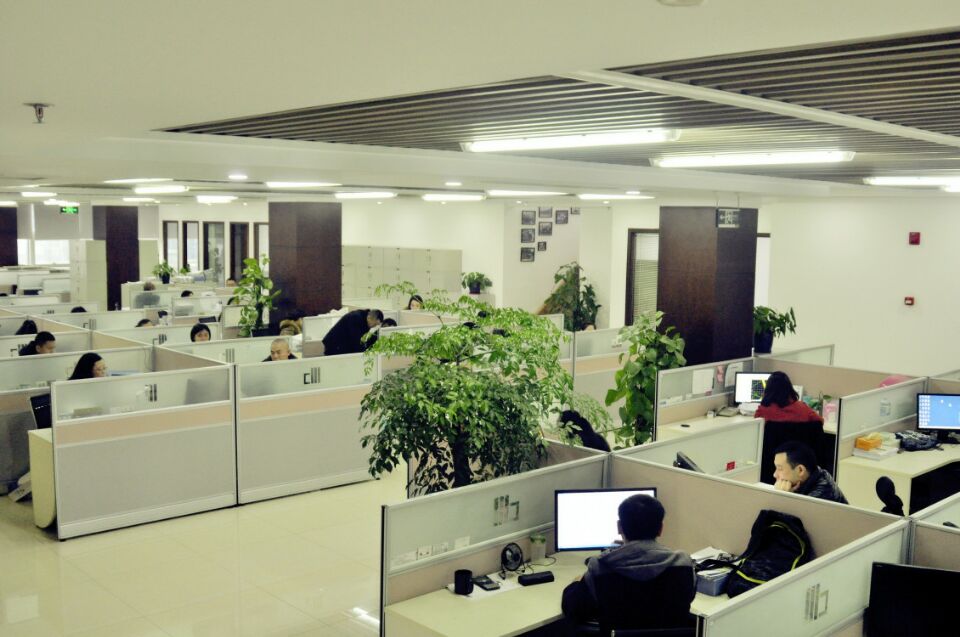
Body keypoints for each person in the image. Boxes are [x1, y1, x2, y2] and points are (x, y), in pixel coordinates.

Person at [561, 494, 695, 632]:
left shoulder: (600, 568)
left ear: (619, 527)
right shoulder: (683, 564)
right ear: (661, 528)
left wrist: (576, 583)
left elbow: (573, 609)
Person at [773, 441, 848, 504]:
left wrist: (782, 498)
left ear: (800, 470)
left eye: (780, 469)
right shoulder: (816, 474)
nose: (775, 475)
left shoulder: (818, 498)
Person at [755, 371, 822, 423]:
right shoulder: (803, 408)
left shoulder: (762, 411)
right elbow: (819, 422)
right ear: (789, 389)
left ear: (768, 390)